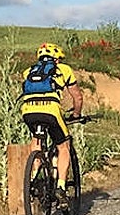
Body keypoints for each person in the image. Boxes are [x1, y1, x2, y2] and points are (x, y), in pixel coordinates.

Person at [18, 42, 84, 205]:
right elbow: (78, 97)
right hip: (51, 110)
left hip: (28, 110)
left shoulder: (28, 71)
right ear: (56, 59)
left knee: (36, 140)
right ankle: (60, 187)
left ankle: (33, 177)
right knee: (64, 146)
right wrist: (76, 114)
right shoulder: (64, 69)